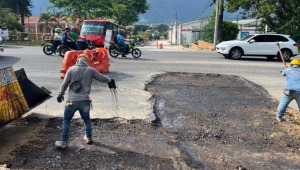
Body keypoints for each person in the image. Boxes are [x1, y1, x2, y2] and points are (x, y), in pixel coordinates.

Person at [55, 54, 116, 149]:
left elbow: (64, 84)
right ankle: (88, 137)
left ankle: (64, 142)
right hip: (85, 101)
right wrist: (110, 80)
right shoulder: (90, 70)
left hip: (71, 101)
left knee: (66, 120)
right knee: (86, 119)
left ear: (78, 60)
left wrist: (60, 95)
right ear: (87, 61)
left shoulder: (71, 69)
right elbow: (101, 77)